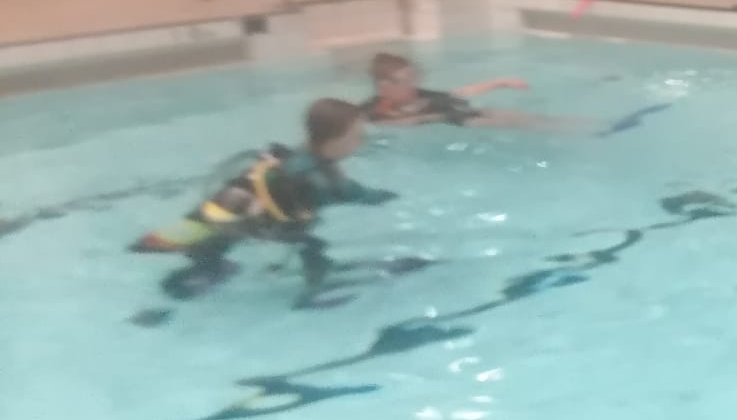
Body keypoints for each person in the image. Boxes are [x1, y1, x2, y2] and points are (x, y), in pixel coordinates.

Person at [131, 99, 396, 303]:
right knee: (312, 245)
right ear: (336, 139)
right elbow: (360, 195)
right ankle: (315, 291)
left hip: (225, 204)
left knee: (209, 240)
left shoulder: (291, 154)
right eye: (356, 135)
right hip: (251, 222)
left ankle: (203, 265)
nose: (361, 140)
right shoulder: (319, 180)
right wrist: (386, 197)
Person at [363, 53, 596, 132]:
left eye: (415, 77)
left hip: (464, 112)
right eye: (406, 81)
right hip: (459, 123)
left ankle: (587, 125)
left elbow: (460, 92)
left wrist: (499, 82)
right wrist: (430, 117)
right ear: (384, 87)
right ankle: (575, 132)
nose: (414, 84)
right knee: (508, 124)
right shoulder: (375, 110)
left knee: (513, 115)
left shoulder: (419, 94)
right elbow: (389, 124)